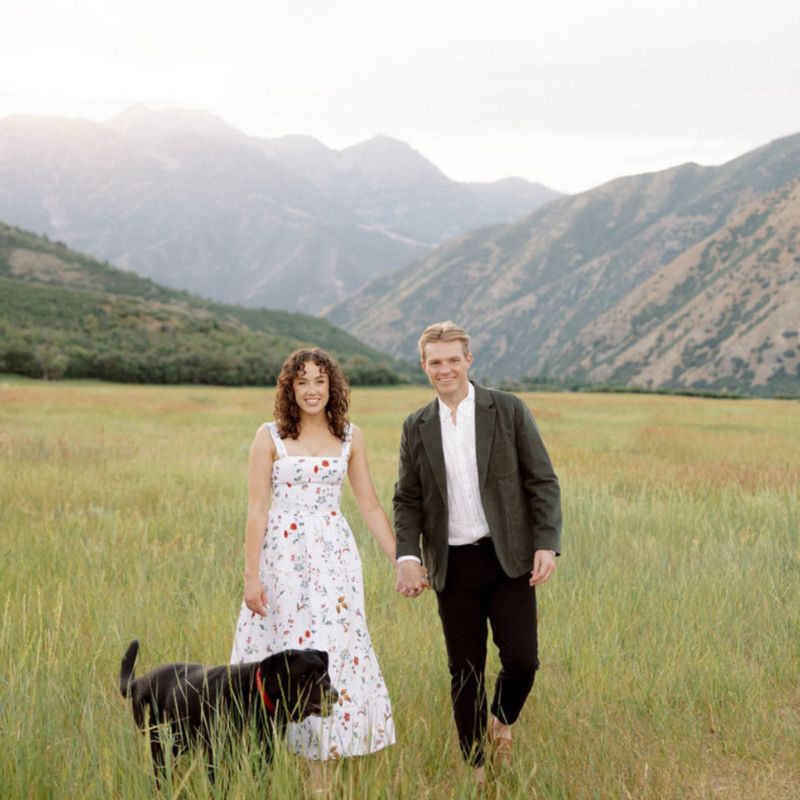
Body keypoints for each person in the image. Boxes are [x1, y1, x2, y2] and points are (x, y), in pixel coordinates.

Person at [393, 321, 561, 787]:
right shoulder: (416, 426)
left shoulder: (507, 409)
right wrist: (407, 555)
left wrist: (546, 543)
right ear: (424, 365)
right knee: (464, 672)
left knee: (522, 661)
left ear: (468, 360)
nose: (444, 369)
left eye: (453, 359)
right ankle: (477, 769)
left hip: (509, 559)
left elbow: (542, 480)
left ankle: (501, 721)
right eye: (435, 362)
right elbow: (407, 499)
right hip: (453, 563)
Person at [231, 348, 396, 793]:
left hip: (334, 562)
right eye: (302, 381)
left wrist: (402, 560)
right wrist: (251, 576)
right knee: (281, 652)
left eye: (319, 381)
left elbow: (370, 505)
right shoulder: (269, 436)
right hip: (281, 562)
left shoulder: (350, 436)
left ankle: (322, 775)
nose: (311, 390)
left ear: (332, 386)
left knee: (333, 653)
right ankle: (264, 760)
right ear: (290, 388)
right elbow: (256, 509)